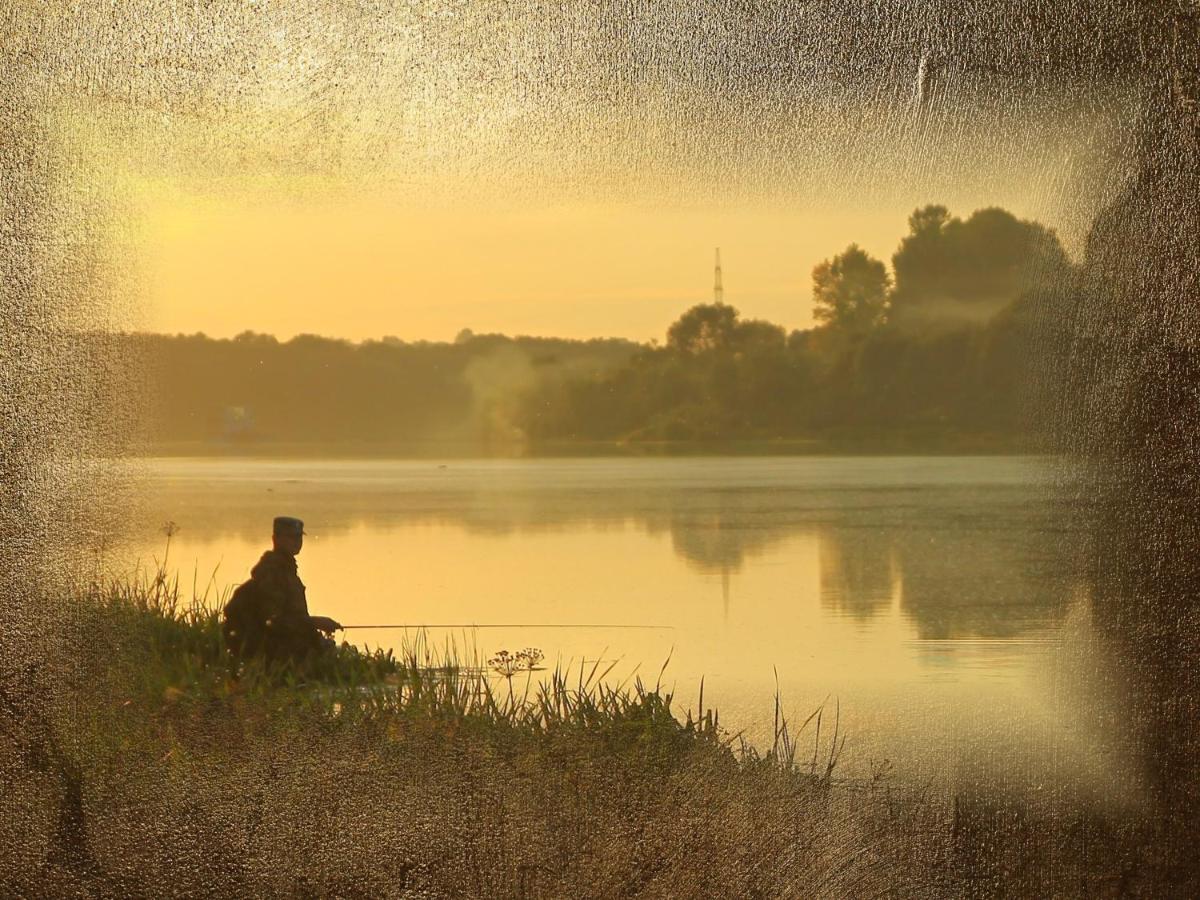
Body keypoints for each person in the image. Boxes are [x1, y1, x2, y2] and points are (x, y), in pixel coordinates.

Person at [222, 516, 342, 666]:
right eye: (291, 537)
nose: (297, 542)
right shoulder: (271, 573)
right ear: (275, 539)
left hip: (284, 645)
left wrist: (315, 631)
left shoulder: (287, 570)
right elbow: (273, 622)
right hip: (270, 650)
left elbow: (294, 619)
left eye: (299, 537)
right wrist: (315, 622)